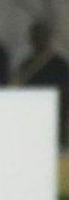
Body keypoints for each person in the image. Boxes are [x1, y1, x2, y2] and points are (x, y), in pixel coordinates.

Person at [14, 20, 69, 149]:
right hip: (32, 119)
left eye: (41, 37)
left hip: (56, 118)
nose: (38, 42)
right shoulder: (25, 66)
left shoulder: (60, 65)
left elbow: (66, 93)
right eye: (36, 38)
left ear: (48, 39)